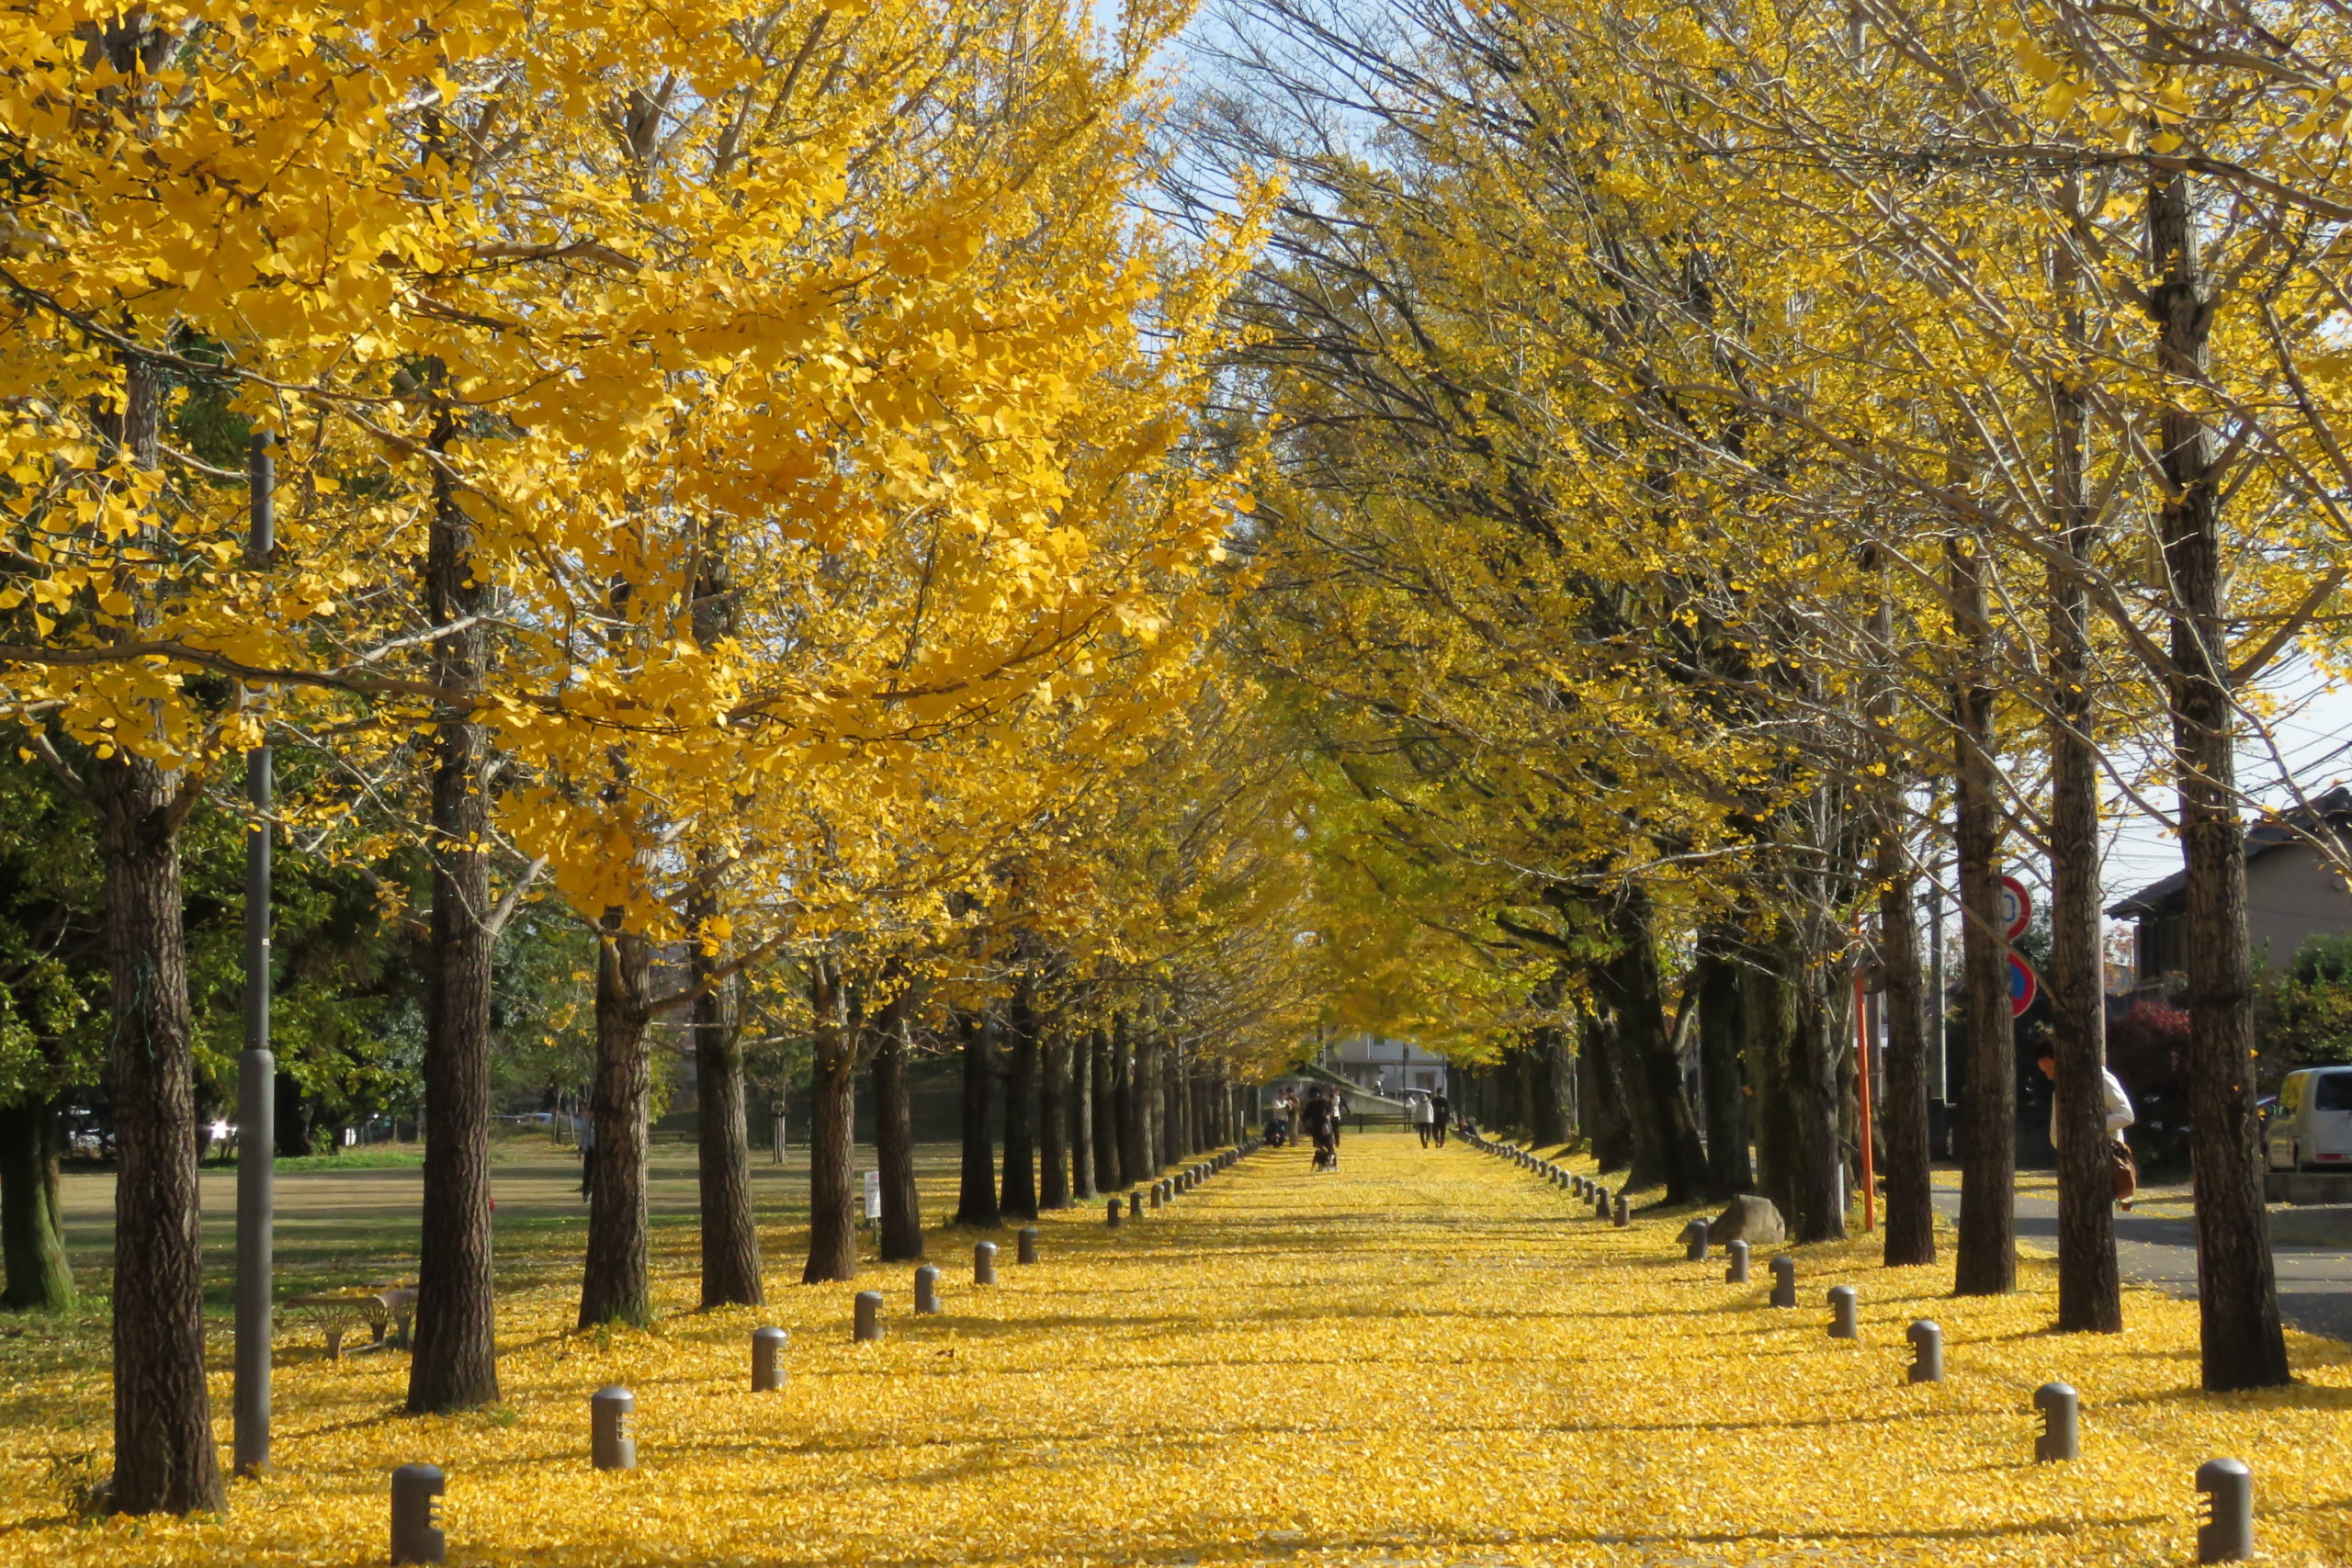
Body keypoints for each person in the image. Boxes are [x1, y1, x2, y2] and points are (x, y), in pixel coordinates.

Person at [2036, 1044, 2136, 1210]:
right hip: (2074, 1170)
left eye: (2052, 1069)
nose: (2049, 1076)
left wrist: (2088, 1128)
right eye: (2045, 1072)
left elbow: (2126, 1115)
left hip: (2104, 1165)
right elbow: (2055, 1135)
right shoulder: (2059, 1091)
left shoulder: (2101, 1079)